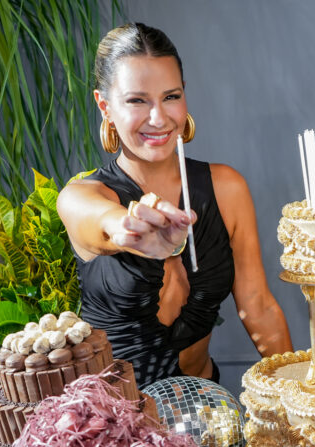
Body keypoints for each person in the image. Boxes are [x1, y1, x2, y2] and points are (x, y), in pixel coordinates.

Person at [57, 22, 292, 387]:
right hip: (117, 427)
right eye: (137, 100)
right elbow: (106, 222)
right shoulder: (82, 197)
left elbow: (257, 304)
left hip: (207, 412)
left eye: (171, 96)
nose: (159, 118)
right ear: (105, 106)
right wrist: (131, 230)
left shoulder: (227, 187)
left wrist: (298, 398)